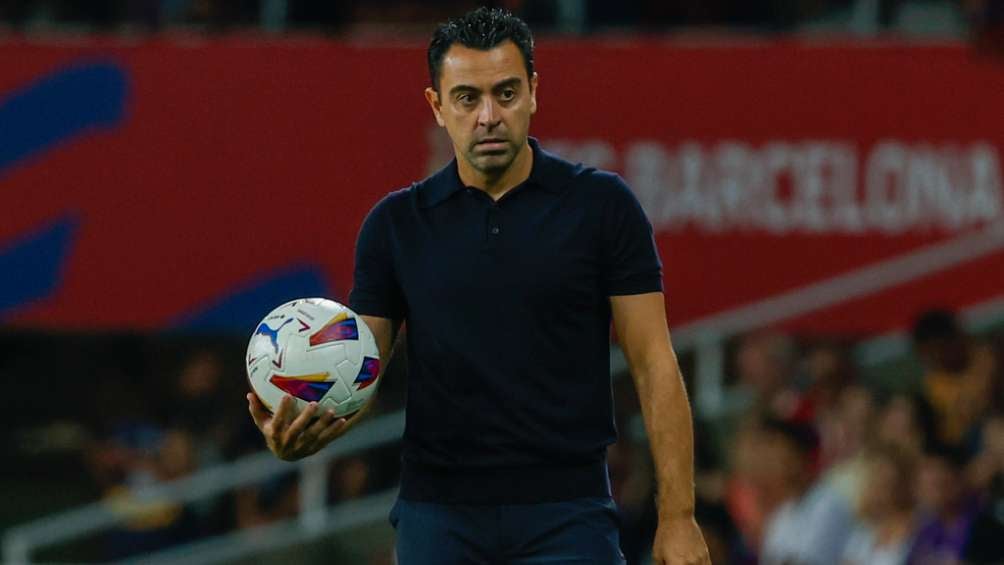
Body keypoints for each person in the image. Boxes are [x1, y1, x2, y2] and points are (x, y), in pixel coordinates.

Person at [246, 6, 709, 565]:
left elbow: (654, 361)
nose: (489, 115)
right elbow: (357, 370)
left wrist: (678, 517)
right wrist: (310, 426)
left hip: (570, 515)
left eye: (507, 93)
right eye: (467, 98)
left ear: (534, 92)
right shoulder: (395, 226)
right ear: (436, 106)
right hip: (438, 518)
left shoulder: (603, 207)